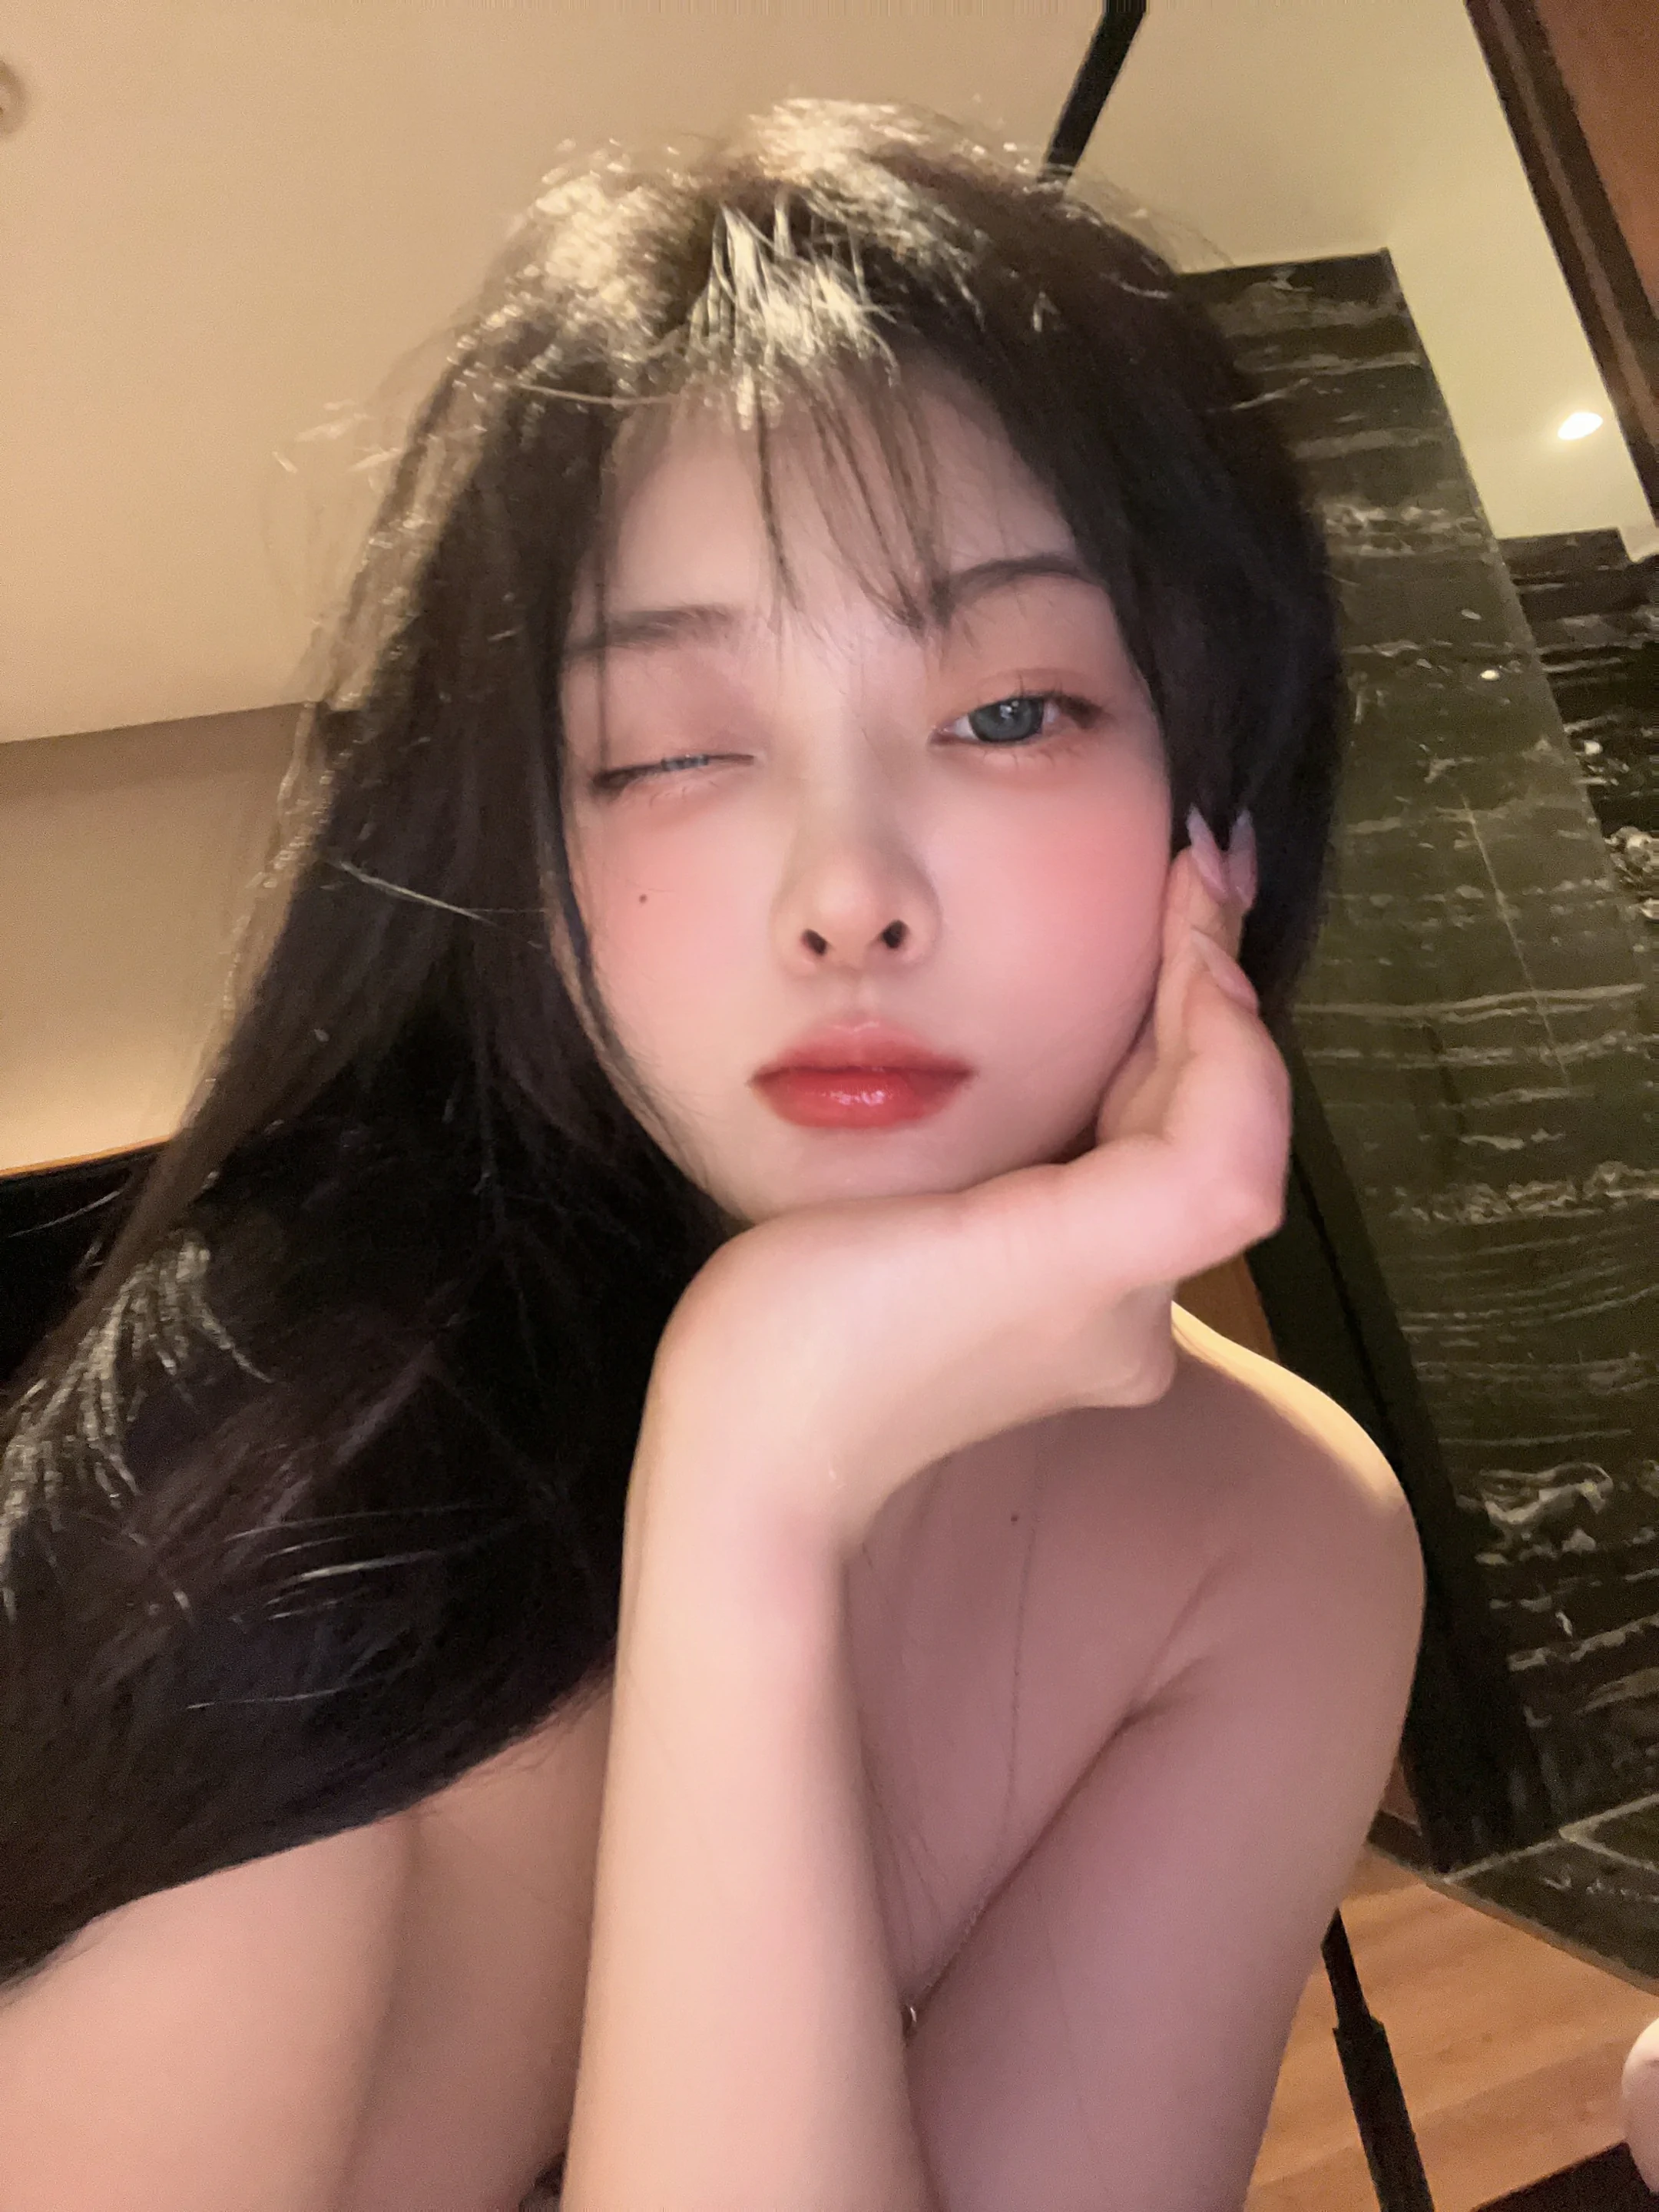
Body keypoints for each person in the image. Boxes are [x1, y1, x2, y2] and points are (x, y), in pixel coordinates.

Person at [0, 97, 1425, 2212]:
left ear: (1219, 790)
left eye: (1008, 713)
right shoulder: (293, 1490)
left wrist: (760, 1474)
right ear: (522, 867)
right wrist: (754, 1463)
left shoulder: (1279, 1538)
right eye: (672, 750)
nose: (846, 897)